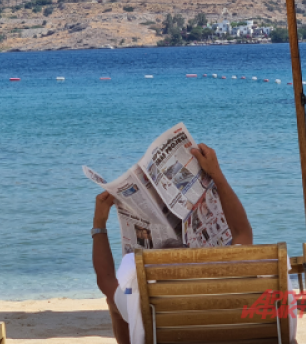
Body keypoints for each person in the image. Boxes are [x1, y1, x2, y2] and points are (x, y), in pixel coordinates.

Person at [91, 143, 252, 344]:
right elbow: (242, 232)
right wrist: (216, 175)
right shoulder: (225, 286)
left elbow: (105, 279)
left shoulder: (142, 302)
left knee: (114, 302)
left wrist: (99, 223)